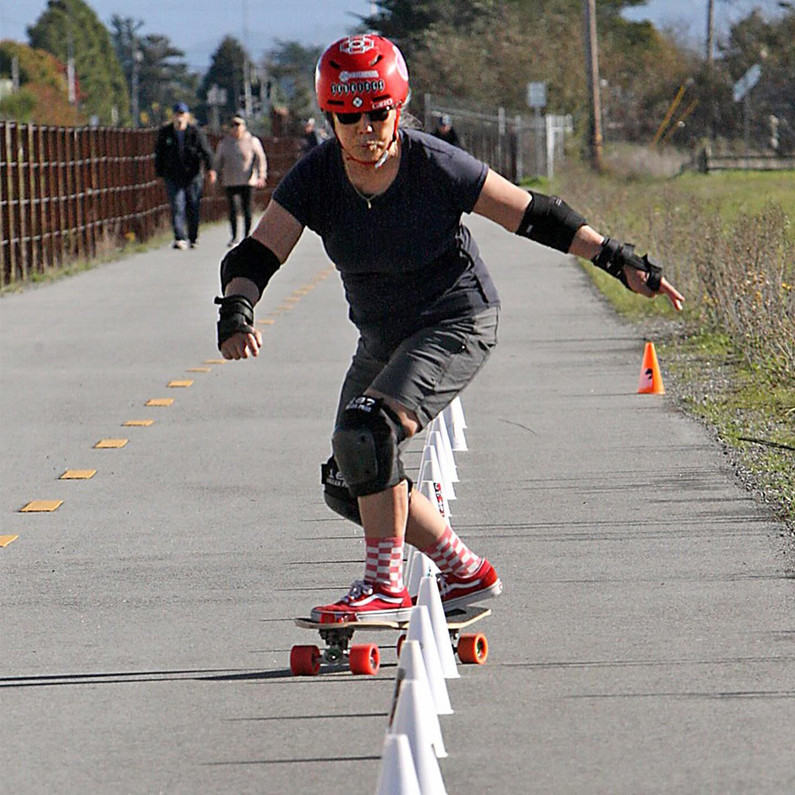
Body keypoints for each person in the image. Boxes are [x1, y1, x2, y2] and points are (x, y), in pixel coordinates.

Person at [214, 35, 684, 623]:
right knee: (347, 476)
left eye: (378, 112)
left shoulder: (434, 163)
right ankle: (466, 574)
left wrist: (615, 258)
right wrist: (237, 310)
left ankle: (384, 587)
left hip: (454, 319)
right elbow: (256, 256)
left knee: (369, 434)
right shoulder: (315, 177)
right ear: (329, 116)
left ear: (398, 107)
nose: (365, 127)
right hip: (383, 338)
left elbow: (534, 214)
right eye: (348, 115)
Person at [154, 102, 216, 250]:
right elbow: (159, 154)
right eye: (177, 114)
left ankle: (193, 237)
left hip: (192, 175)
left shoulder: (195, 132)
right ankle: (179, 237)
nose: (179, 117)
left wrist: (210, 169)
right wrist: (159, 174)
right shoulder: (166, 133)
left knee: (193, 206)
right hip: (173, 175)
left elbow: (206, 151)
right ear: (173, 116)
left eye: (182, 114)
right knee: (177, 205)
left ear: (187, 116)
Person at [215, 116, 268, 247]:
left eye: (238, 125)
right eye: (233, 125)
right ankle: (234, 236)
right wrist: (216, 175)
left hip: (248, 180)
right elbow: (218, 161)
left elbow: (260, 158)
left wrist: (261, 175)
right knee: (233, 208)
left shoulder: (252, 141)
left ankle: (247, 235)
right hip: (230, 180)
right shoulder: (225, 143)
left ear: (244, 126)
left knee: (247, 208)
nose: (235, 128)